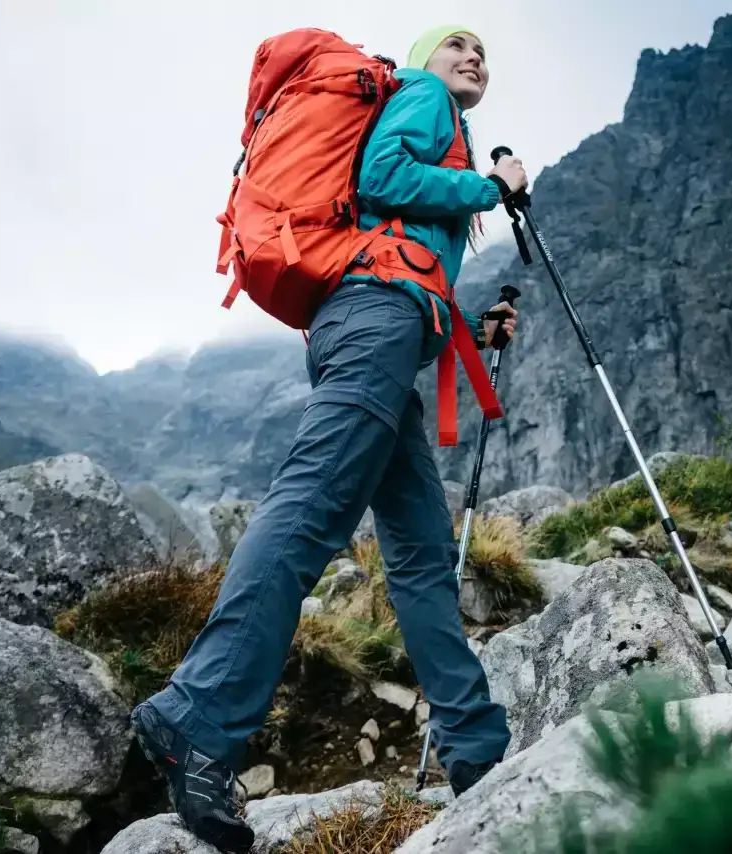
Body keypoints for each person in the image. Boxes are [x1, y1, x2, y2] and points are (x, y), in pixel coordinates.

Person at [128, 25, 530, 853]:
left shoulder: (430, 119)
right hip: (374, 324)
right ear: (423, 63)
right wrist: (489, 189)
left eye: (482, 49)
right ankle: (196, 717)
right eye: (455, 45)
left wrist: (470, 324)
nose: (473, 57)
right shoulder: (422, 101)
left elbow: (397, 244)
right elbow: (385, 178)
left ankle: (479, 753)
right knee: (312, 510)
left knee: (420, 557)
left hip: (382, 324)